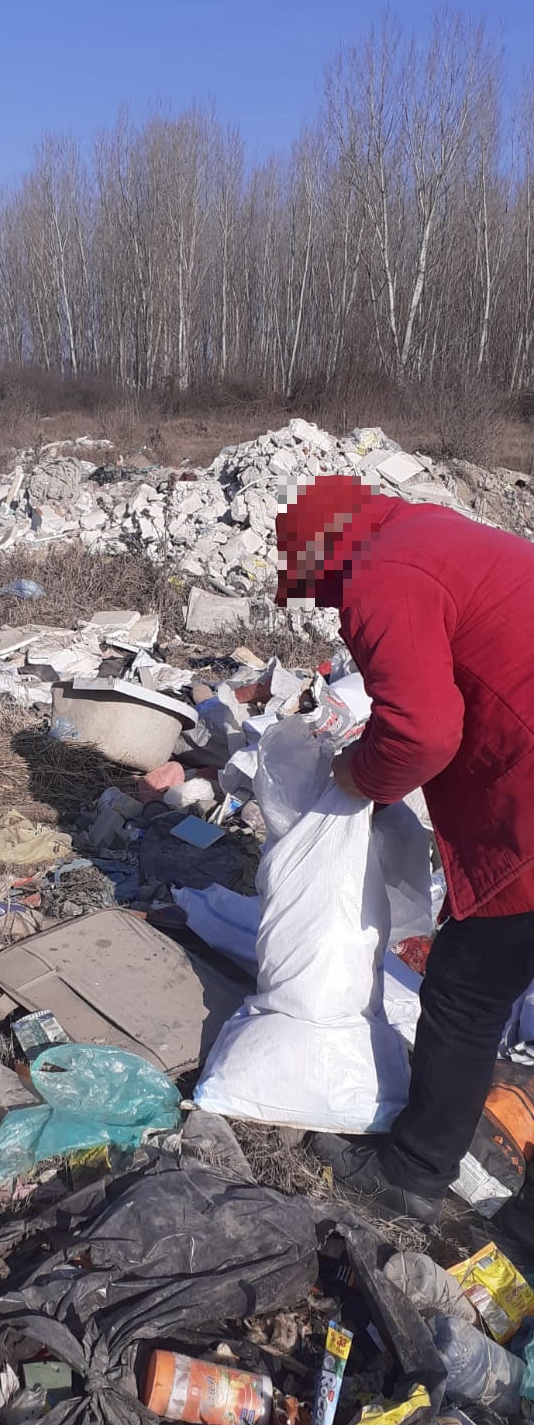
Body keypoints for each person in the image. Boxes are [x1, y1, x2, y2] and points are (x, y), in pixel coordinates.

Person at [274, 472, 534, 1225]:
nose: (330, 607)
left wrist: (358, 776)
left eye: (318, 591)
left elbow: (423, 732)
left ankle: (413, 1173)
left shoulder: (380, 572)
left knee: (467, 990)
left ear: (322, 556)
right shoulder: (437, 537)